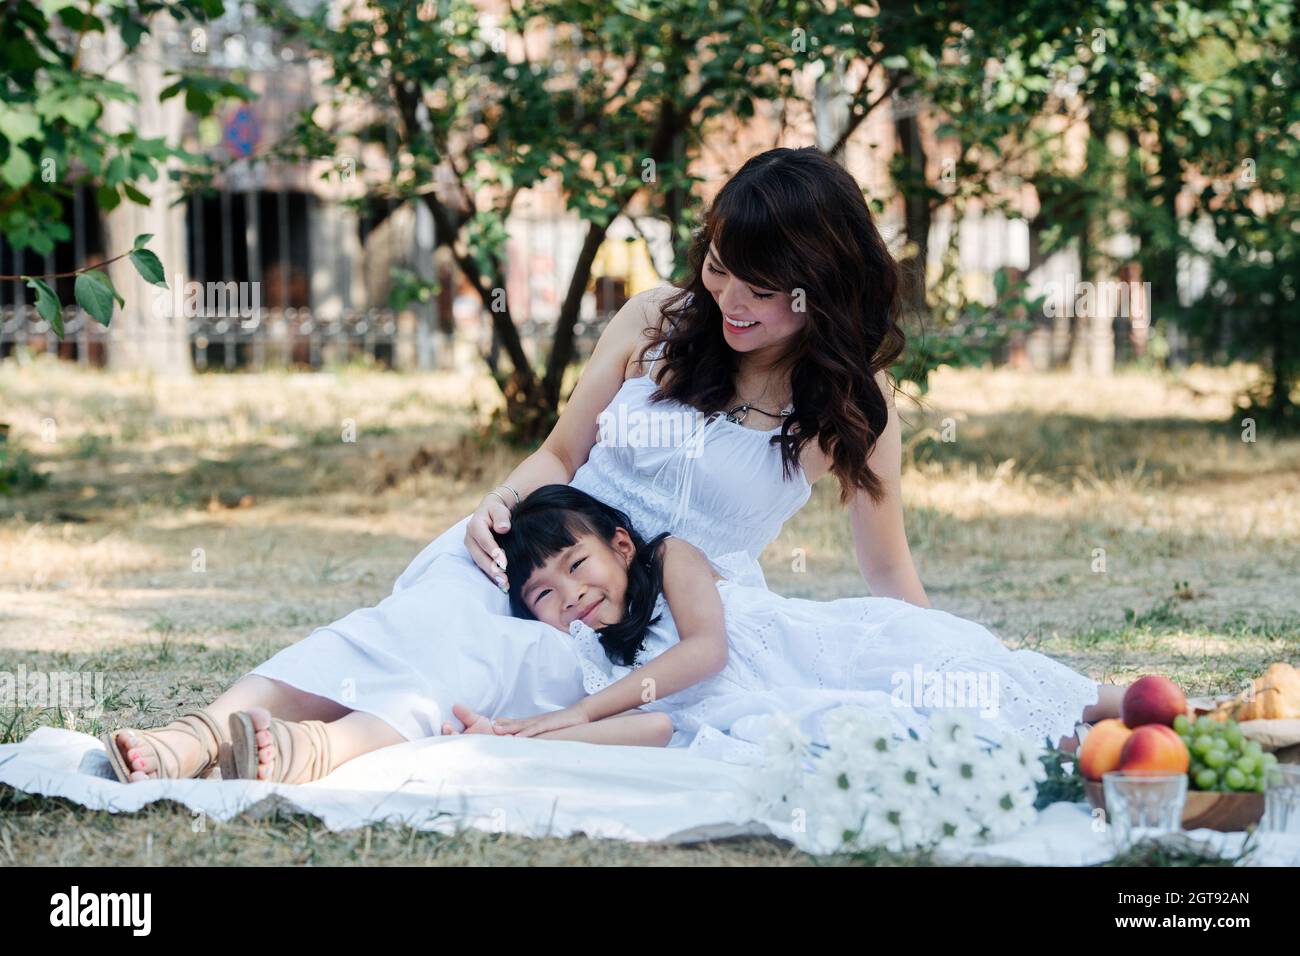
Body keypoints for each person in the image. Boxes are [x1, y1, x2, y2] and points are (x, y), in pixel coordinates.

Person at [101, 146, 959, 784]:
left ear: (823, 284)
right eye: (721, 268)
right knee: (423, 615)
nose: (731, 301)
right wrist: (498, 503)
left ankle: (320, 750)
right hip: (544, 528)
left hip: (651, 611)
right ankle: (203, 732)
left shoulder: (852, 408)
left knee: (494, 656)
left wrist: (942, 671)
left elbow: (890, 578)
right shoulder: (659, 320)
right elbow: (562, 449)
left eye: (763, 289)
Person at [442, 485, 1121, 765]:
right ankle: (1117, 761)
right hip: (798, 705)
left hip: (844, 652)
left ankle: (1184, 712)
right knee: (982, 746)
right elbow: (657, 728)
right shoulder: (604, 658)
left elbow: (706, 652)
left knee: (979, 685)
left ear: (621, 547)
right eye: (541, 594)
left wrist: (585, 710)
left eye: (575, 563)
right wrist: (536, 732)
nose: (569, 594)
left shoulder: (673, 559)